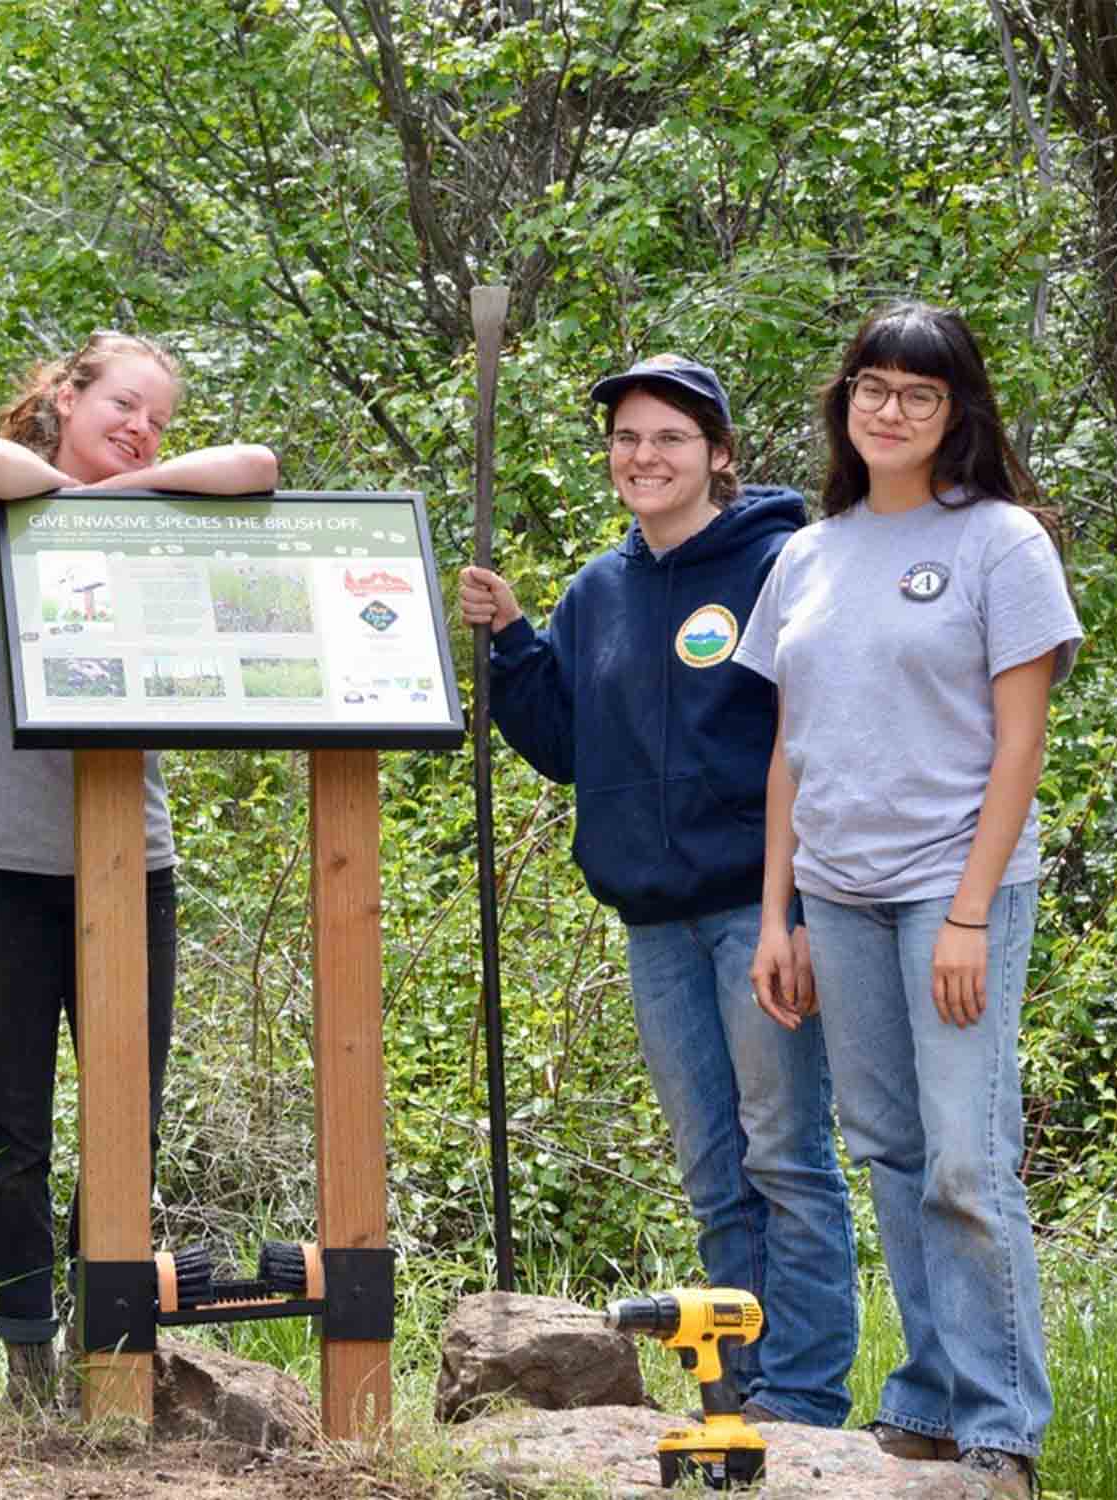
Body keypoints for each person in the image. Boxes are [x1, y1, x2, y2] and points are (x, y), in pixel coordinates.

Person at [457, 354, 858, 1427]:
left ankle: (807, 1396)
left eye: (670, 438)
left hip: (760, 912)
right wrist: (513, 642)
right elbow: (563, 746)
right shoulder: (599, 593)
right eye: (627, 438)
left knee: (786, 1156)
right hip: (653, 922)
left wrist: (795, 913)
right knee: (715, 1168)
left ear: (719, 454)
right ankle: (744, 1383)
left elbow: (818, 739)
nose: (644, 456)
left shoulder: (781, 565)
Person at [741, 302, 1081, 1500]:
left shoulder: (1001, 542)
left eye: (919, 393)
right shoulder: (808, 553)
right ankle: (929, 1403)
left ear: (956, 412)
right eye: (873, 387)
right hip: (838, 893)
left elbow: (1021, 741)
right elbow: (790, 749)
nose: (891, 410)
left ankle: (1001, 1430)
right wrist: (777, 915)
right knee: (889, 1152)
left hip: (953, 889)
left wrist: (972, 914)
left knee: (967, 1162)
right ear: (846, 402)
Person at [0, 331, 277, 1407]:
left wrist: (122, 497)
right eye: (123, 404)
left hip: (133, 863)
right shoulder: (1, 520)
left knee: (127, 1114)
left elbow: (258, 466)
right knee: (11, 1122)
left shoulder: (152, 518)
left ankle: (108, 1343)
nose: (141, 429)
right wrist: (91, 503)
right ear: (67, 397)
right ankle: (25, 1353)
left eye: (158, 420)